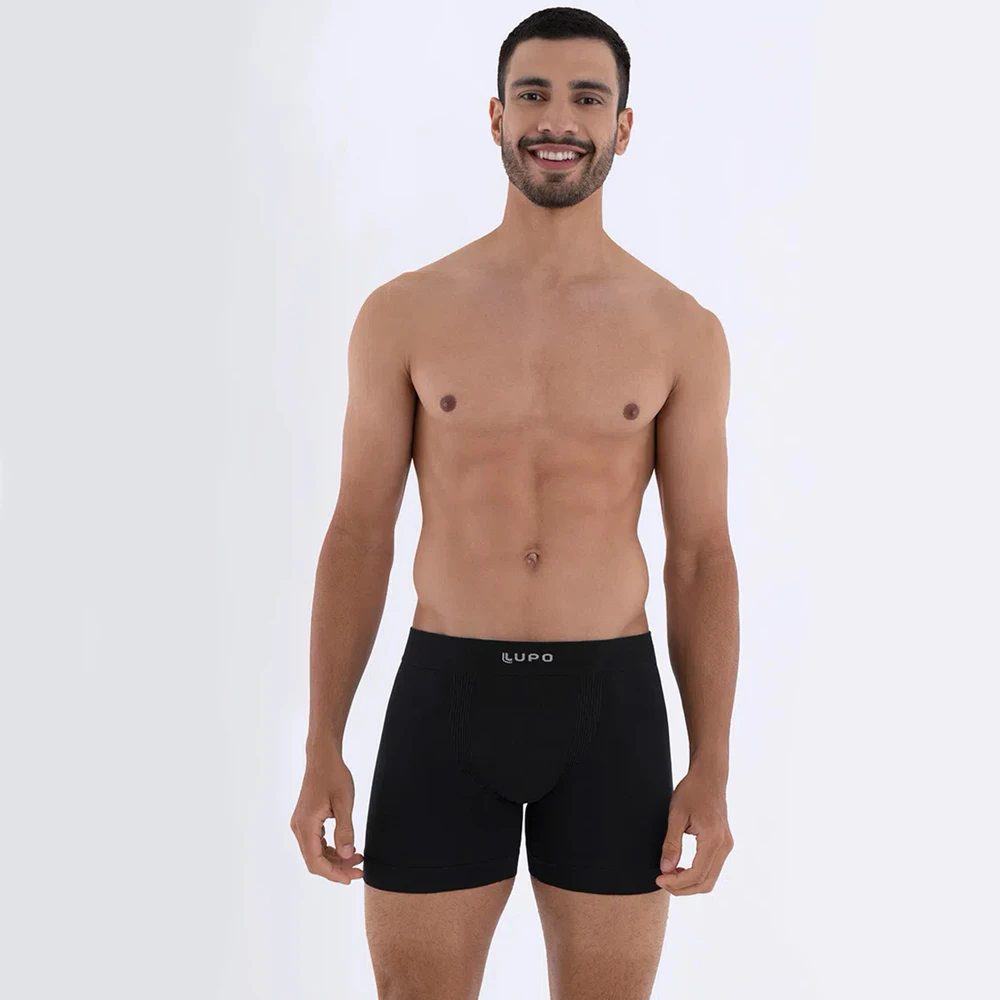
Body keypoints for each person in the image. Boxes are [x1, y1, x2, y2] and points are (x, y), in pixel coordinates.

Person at [290, 7, 738, 998]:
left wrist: (710, 763)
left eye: (587, 98)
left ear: (623, 126)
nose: (557, 119)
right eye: (532, 94)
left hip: (610, 711)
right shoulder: (405, 313)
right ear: (495, 116)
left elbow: (700, 554)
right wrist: (323, 740)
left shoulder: (681, 332)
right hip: (445, 699)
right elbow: (358, 534)